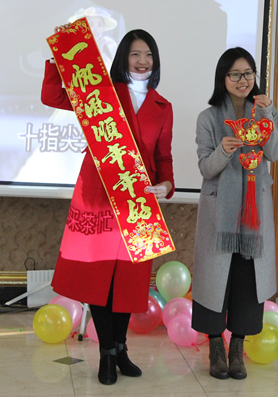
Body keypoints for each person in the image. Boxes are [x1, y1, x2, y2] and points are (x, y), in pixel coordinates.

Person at [41, 28, 174, 385]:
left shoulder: (163, 107)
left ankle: (121, 348)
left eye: (148, 54)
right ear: (123, 58)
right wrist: (59, 60)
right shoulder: (103, 94)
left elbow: (163, 156)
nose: (143, 61)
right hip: (100, 196)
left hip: (137, 202)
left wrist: (167, 185)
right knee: (101, 279)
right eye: (135, 54)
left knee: (128, 282)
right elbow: (53, 96)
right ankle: (106, 353)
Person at [191, 47, 278, 380]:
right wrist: (224, 149)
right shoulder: (208, 118)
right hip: (220, 214)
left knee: (247, 281)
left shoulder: (263, 112)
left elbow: (275, 152)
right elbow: (206, 168)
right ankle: (216, 347)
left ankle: (237, 351)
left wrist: (269, 115)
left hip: (254, 214)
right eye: (235, 74)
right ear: (223, 78)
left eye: (248, 73)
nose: (242, 80)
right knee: (215, 279)